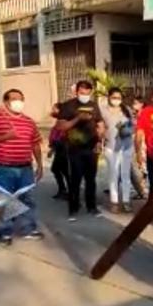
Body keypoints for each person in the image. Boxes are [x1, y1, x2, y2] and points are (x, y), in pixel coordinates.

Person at [0, 89, 45, 244]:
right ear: (6, 101)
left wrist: (40, 164)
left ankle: (28, 228)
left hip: (25, 168)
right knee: (4, 199)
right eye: (14, 99)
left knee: (27, 199)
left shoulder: (29, 121)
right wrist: (5, 137)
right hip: (3, 167)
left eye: (21, 99)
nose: (18, 102)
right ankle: (5, 231)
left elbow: (35, 143)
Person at [56, 80, 105, 220]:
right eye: (82, 93)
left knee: (91, 179)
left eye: (88, 93)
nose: (85, 95)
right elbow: (61, 127)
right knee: (75, 179)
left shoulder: (93, 105)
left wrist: (101, 136)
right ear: (76, 92)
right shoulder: (68, 106)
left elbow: (100, 123)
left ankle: (92, 207)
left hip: (92, 147)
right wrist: (78, 118)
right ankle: (73, 208)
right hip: (74, 148)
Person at [102, 87, 135, 213]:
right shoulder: (103, 111)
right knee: (113, 175)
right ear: (109, 97)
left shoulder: (127, 110)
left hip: (126, 146)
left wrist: (127, 130)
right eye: (114, 97)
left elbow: (133, 126)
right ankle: (114, 201)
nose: (117, 100)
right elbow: (100, 126)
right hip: (111, 147)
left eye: (119, 98)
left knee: (125, 175)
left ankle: (126, 201)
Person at [47, 103, 69, 200]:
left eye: (54, 109)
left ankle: (65, 190)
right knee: (63, 171)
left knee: (58, 169)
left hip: (63, 149)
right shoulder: (59, 121)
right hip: (59, 148)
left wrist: (52, 149)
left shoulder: (64, 121)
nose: (53, 111)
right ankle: (65, 190)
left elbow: (60, 137)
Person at [129, 95, 148, 199]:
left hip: (142, 142)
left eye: (136, 103)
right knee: (137, 168)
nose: (133, 105)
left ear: (141, 104)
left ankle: (143, 190)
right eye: (133, 103)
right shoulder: (133, 115)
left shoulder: (145, 114)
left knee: (142, 167)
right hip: (134, 141)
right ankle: (141, 190)